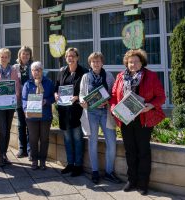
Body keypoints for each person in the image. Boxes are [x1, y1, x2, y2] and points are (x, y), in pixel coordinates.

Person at [110, 49, 165, 195]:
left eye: (135, 61)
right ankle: (131, 180)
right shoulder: (121, 76)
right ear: (126, 63)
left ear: (141, 62)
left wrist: (151, 106)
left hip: (143, 120)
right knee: (130, 151)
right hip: (126, 120)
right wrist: (114, 109)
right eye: (130, 62)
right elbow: (114, 96)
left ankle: (142, 184)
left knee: (143, 152)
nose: (132, 64)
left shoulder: (151, 76)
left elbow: (161, 97)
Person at [79, 52, 121, 184]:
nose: (96, 64)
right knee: (93, 142)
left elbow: (114, 94)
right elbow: (81, 94)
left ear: (102, 63)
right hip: (91, 113)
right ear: (90, 64)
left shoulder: (108, 76)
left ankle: (109, 172)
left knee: (111, 142)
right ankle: (95, 172)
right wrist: (82, 101)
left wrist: (108, 102)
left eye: (98, 61)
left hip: (105, 113)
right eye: (93, 62)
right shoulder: (86, 77)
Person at [54, 47, 88, 177]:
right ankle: (70, 164)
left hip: (76, 112)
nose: (70, 58)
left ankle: (78, 166)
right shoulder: (62, 71)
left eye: (73, 55)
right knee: (68, 139)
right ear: (65, 58)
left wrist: (78, 97)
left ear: (77, 57)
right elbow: (56, 87)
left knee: (78, 139)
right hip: (63, 111)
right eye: (68, 56)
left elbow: (86, 91)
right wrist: (56, 94)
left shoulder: (84, 72)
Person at [0, 48, 21, 167]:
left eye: (6, 57)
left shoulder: (13, 70)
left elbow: (17, 85)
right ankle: (1, 156)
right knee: (2, 129)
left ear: (9, 58)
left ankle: (5, 154)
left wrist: (16, 97)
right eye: (2, 56)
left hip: (10, 104)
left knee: (7, 129)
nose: (4, 59)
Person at [22, 61, 55, 170]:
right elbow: (23, 99)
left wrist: (46, 101)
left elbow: (53, 97)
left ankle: (43, 161)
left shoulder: (49, 82)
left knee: (44, 139)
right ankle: (34, 160)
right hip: (31, 116)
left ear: (42, 71)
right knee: (33, 139)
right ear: (31, 72)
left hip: (45, 116)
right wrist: (26, 108)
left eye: (38, 69)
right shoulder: (27, 84)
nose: (36, 72)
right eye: (34, 70)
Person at [13, 46, 33, 160]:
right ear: (19, 55)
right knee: (21, 125)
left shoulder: (33, 66)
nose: (25, 56)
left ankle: (30, 150)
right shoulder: (15, 67)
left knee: (30, 124)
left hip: (31, 100)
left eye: (27, 54)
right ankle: (22, 148)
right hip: (19, 100)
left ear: (30, 56)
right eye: (23, 54)